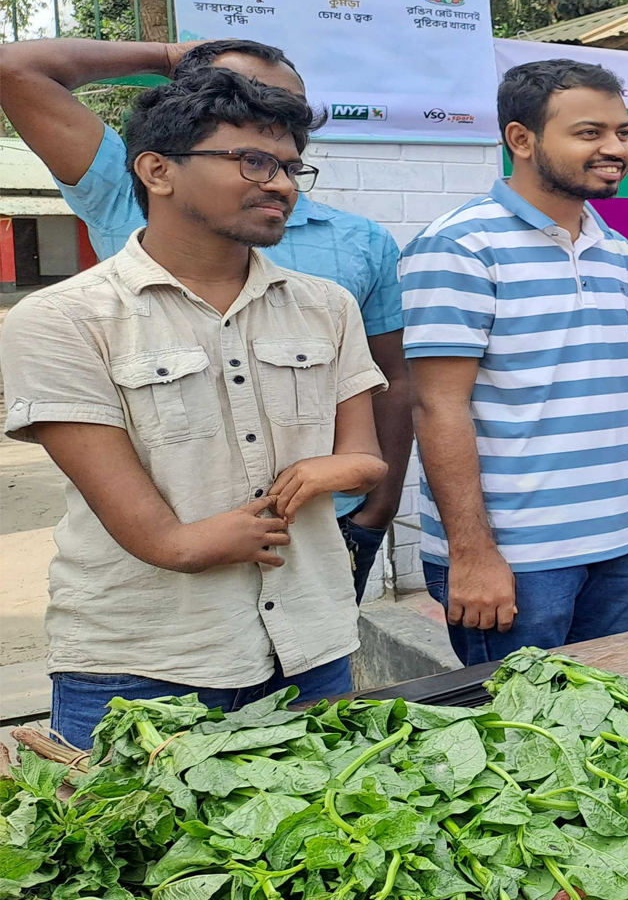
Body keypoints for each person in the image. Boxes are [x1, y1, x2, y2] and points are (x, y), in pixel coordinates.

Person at [0, 71, 388, 747]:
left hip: (308, 651)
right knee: (149, 855)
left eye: (293, 166)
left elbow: (364, 457)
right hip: (142, 667)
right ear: (157, 170)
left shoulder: (327, 305)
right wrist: (192, 544)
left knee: (323, 848)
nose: (282, 184)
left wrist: (334, 471)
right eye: (253, 161)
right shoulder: (64, 319)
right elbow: (155, 533)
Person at [399, 59, 628, 665]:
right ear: (521, 139)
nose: (616, 149)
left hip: (623, 544)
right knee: (527, 738)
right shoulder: (459, 246)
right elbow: (437, 405)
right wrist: (472, 553)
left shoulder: (619, 250)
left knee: (617, 723)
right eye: (590, 133)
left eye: (624, 132)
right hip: (520, 561)